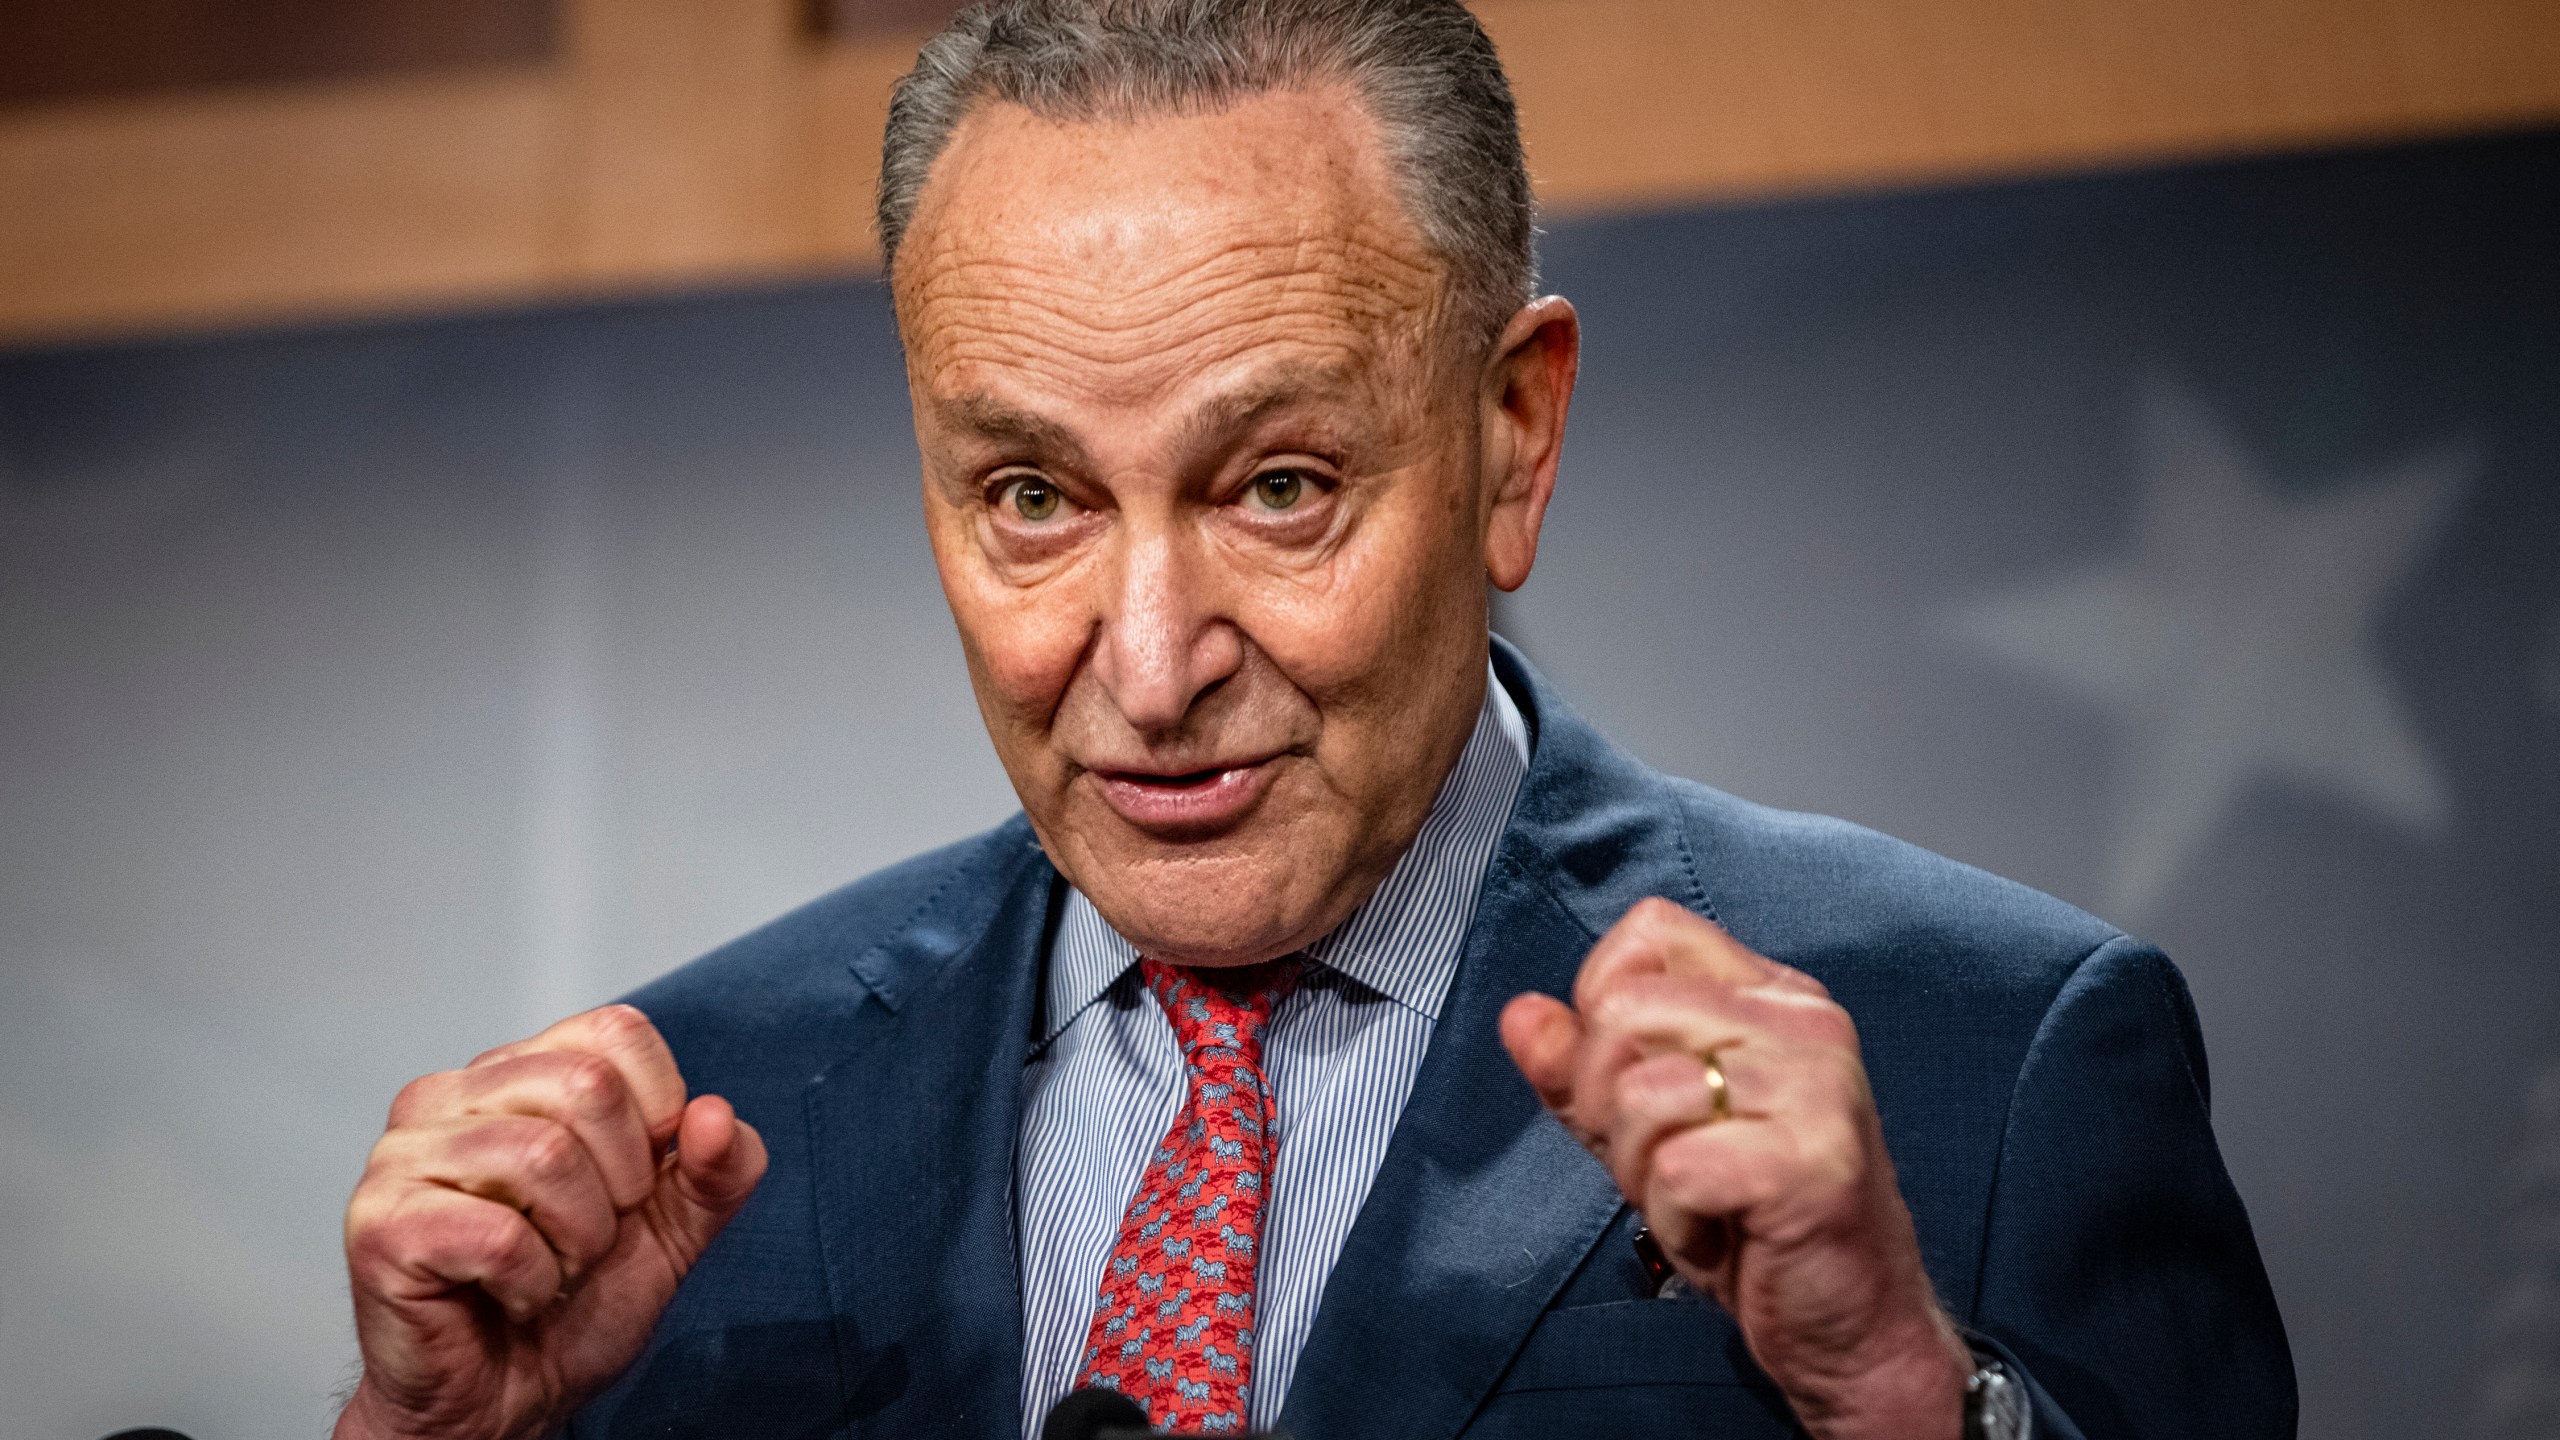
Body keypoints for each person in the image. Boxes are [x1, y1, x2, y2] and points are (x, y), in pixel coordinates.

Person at [330, 3, 2294, 1438]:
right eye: (1032, 500)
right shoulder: (678, 1134)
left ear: (1508, 436)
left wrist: (1895, 1398)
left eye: (1276, 486)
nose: (1152, 659)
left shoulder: (1992, 1062)